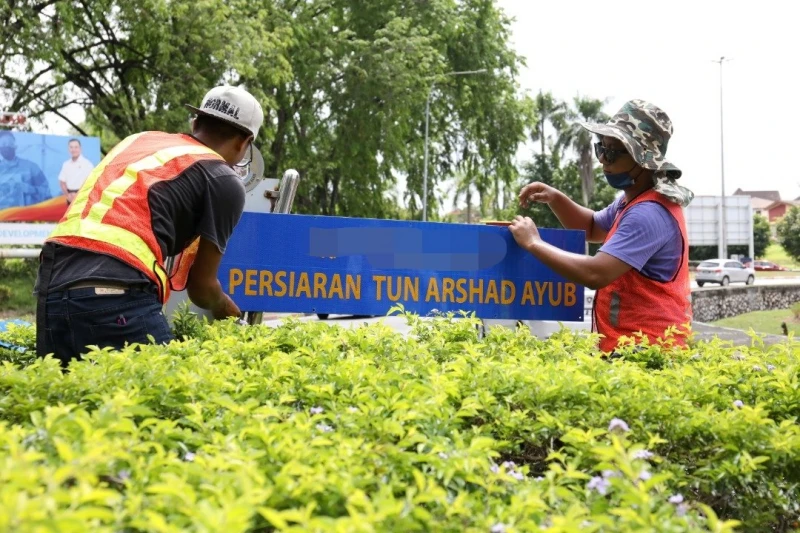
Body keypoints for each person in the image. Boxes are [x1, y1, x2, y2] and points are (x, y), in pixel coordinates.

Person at [35, 85, 264, 367]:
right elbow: (202, 289)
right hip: (117, 287)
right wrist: (233, 317)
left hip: (52, 285)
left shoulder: (139, 141)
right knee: (170, 397)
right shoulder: (223, 179)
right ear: (245, 142)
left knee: (76, 404)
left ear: (195, 122)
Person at [509, 99, 695, 354]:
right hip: (630, 348)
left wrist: (533, 243)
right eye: (601, 149)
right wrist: (556, 198)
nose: (602, 160)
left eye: (612, 152)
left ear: (641, 159)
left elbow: (595, 274)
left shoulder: (648, 214)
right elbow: (592, 227)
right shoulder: (632, 201)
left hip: (647, 353)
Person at [0, 130, 52, 210]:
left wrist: (31, 189)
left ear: (15, 146)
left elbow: (47, 193)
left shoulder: (31, 167)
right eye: (3, 144)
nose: (6, 146)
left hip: (26, 217)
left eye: (9, 143)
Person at [58, 138, 95, 204]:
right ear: (68, 149)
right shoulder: (66, 164)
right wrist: (68, 195)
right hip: (69, 199)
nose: (73, 149)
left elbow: (93, 182)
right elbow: (62, 182)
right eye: (71, 147)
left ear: (80, 149)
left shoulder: (87, 164)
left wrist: (82, 196)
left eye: (76, 147)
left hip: (83, 199)